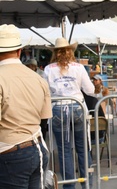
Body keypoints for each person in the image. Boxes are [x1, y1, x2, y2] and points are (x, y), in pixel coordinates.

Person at [0, 24, 52, 189]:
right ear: (19, 51)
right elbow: (44, 121)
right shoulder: (37, 78)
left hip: (10, 150)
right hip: (37, 147)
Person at [43, 37, 94, 189]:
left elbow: (45, 91)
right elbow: (90, 90)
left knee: (64, 150)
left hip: (58, 108)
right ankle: (87, 184)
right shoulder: (79, 68)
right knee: (83, 148)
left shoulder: (48, 69)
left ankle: (69, 185)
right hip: (77, 106)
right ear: (71, 51)